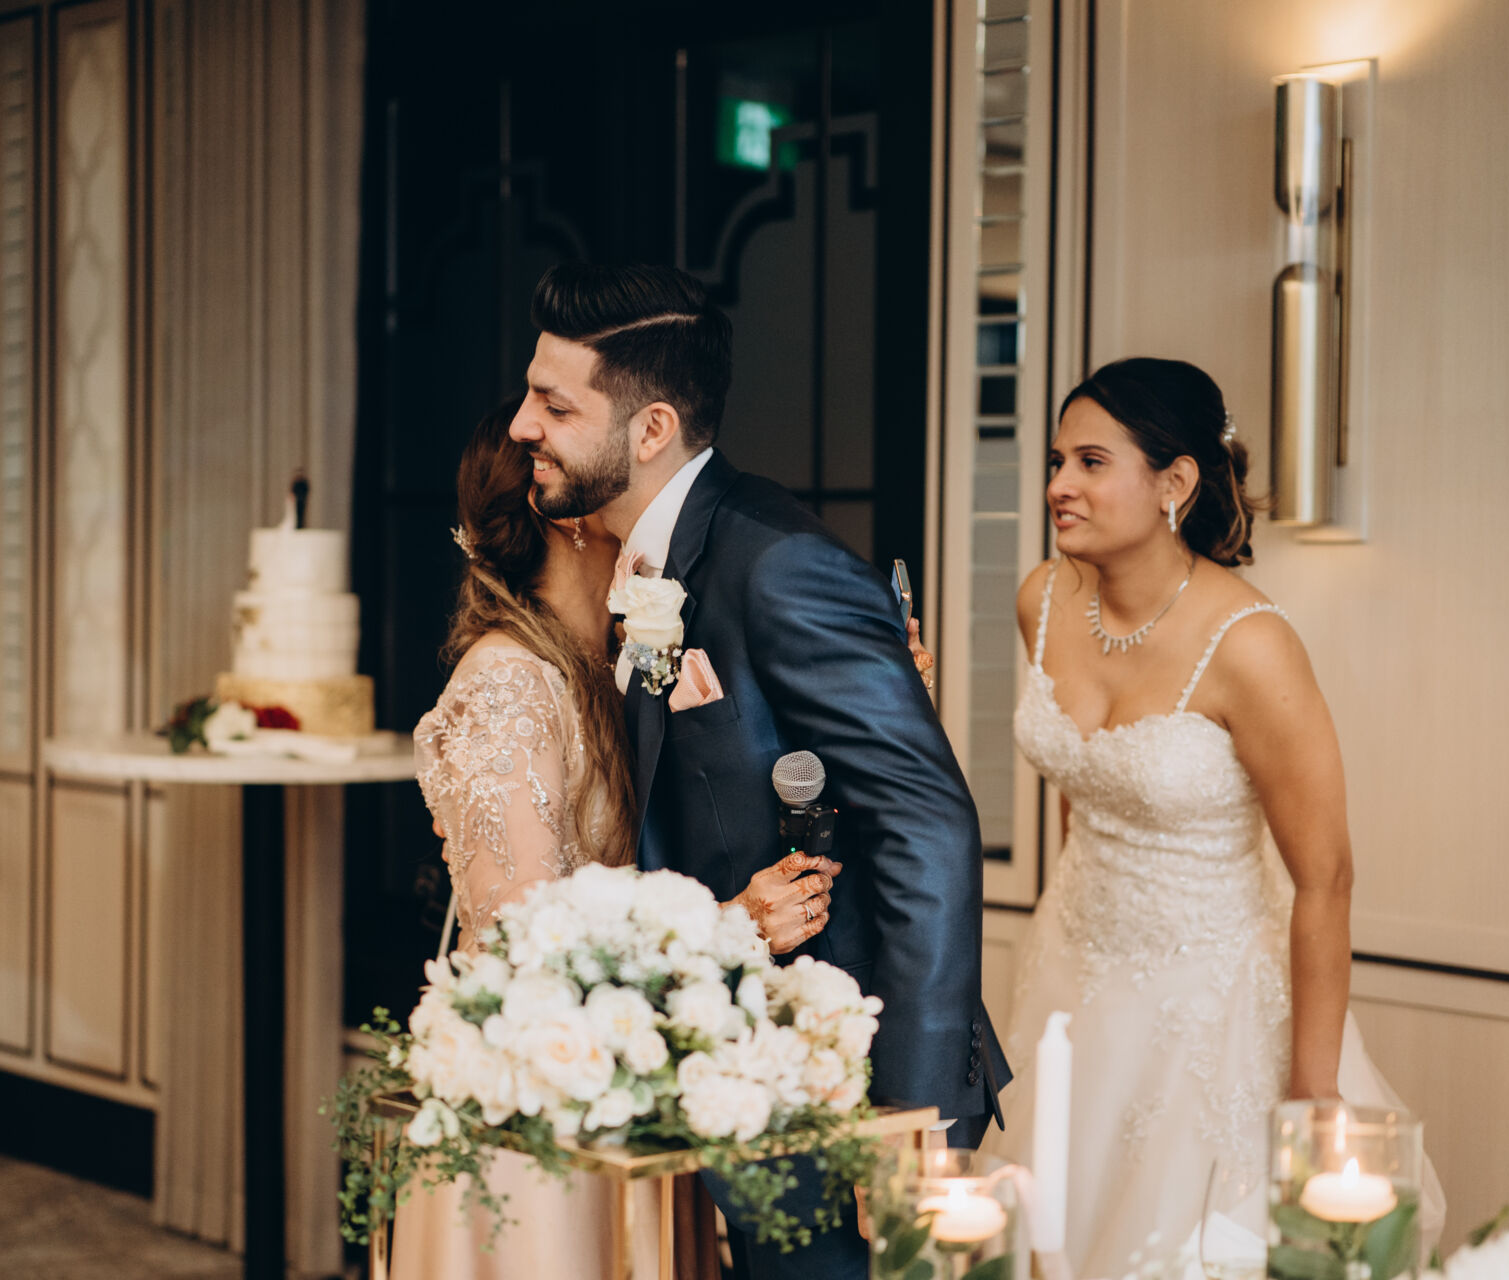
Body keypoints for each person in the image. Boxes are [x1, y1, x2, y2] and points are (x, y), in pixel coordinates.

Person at [507, 261, 1007, 1280]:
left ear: (650, 429)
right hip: (739, 1086)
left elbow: (928, 825)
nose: (523, 426)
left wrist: (909, 1120)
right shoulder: (645, 566)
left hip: (843, 1095)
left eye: (555, 406)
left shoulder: (777, 562)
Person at [986, 357, 1443, 1276]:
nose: (1058, 485)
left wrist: (1311, 1093)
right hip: (1070, 963)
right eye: (1057, 461)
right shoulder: (1042, 599)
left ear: (1175, 483)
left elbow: (1326, 879)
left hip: (1211, 997)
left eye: (1090, 463)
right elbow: (1086, 789)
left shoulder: (1252, 646)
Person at [391, 397, 841, 1280]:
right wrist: (734, 927)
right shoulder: (505, 688)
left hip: (629, 1090)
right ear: (558, 509)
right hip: (539, 1112)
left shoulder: (618, 664)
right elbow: (524, 953)